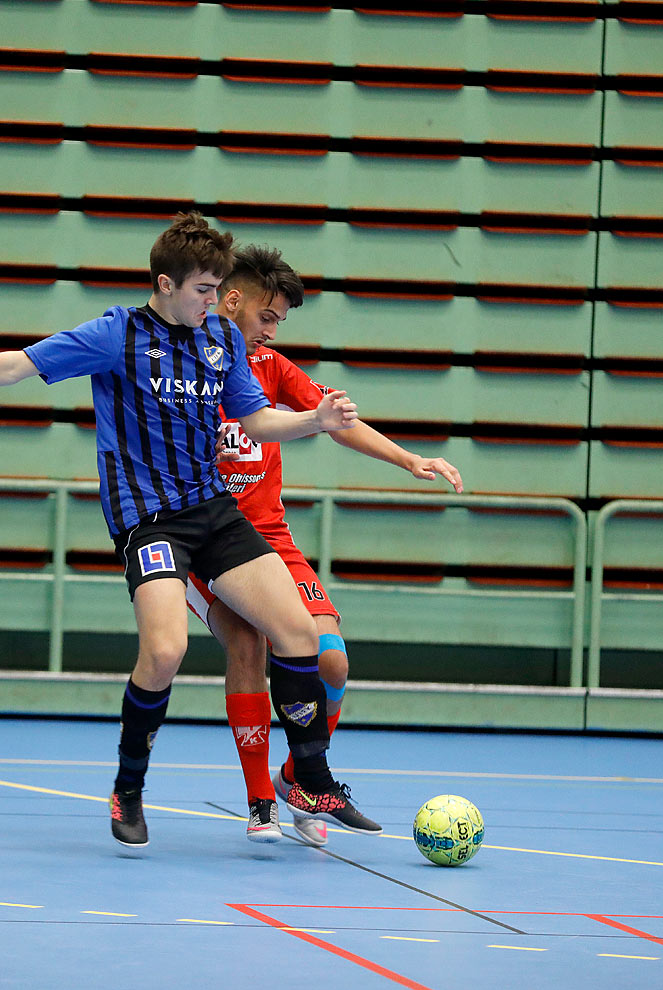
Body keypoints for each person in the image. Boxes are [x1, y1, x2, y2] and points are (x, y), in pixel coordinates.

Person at [0, 211, 380, 850]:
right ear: (164, 285)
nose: (215, 301)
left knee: (300, 634)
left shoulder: (218, 339)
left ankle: (309, 778)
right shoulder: (116, 335)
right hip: (148, 519)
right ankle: (128, 786)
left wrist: (316, 422)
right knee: (164, 654)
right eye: (203, 290)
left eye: (218, 290)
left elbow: (258, 418)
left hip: (213, 509)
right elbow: (17, 365)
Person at [183, 244, 462, 845]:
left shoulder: (271, 367)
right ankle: (261, 799)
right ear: (234, 300)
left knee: (330, 658)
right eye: (269, 316)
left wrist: (408, 458)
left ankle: (299, 777)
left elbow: (335, 419)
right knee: (248, 649)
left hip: (271, 540)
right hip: (205, 539)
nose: (274, 331)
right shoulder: (184, 364)